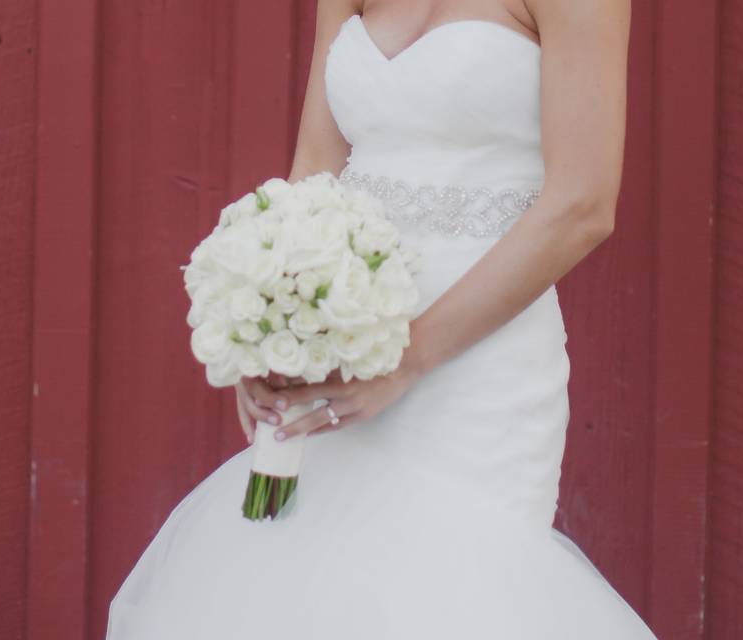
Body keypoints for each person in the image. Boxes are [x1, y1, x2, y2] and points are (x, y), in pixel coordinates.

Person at [107, 0, 657, 637]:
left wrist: (405, 359)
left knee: (446, 598)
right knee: (297, 588)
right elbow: (316, 164)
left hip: (478, 371)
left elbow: (581, 206)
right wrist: (274, 329)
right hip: (338, 346)